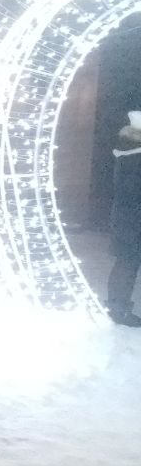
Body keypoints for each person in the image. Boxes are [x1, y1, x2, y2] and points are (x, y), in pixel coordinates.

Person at [107, 110, 141, 326]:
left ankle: (118, 306)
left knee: (126, 262)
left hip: (128, 217)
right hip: (133, 219)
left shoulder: (127, 154)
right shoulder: (135, 158)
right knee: (127, 262)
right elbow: (133, 190)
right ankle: (118, 309)